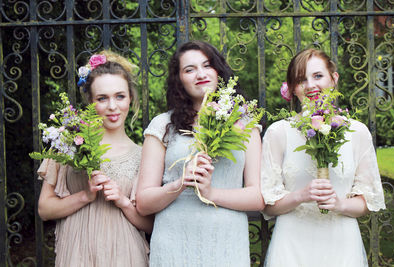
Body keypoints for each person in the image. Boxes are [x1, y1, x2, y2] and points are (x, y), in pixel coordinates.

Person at [136, 40, 265, 266]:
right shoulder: (163, 125)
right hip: (174, 242)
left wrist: (211, 192)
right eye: (189, 69)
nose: (200, 74)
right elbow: (144, 203)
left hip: (226, 244)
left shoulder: (245, 125)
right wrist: (179, 184)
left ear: (219, 71)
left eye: (207, 65)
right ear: (179, 80)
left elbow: (258, 197)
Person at [261, 48, 386, 267]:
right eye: (301, 80)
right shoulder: (278, 132)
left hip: (342, 246)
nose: (310, 85)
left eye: (318, 76)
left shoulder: (357, 132)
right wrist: (301, 195)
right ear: (292, 88)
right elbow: (268, 206)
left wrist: (339, 204)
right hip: (291, 246)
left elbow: (368, 201)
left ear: (333, 78)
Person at [37, 50, 152, 267]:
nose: (112, 107)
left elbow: (151, 225)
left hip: (125, 256)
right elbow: (44, 209)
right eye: (102, 98)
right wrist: (85, 196)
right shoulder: (68, 144)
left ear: (130, 98)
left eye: (120, 96)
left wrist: (123, 202)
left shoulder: (143, 155)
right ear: (90, 101)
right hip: (76, 254)